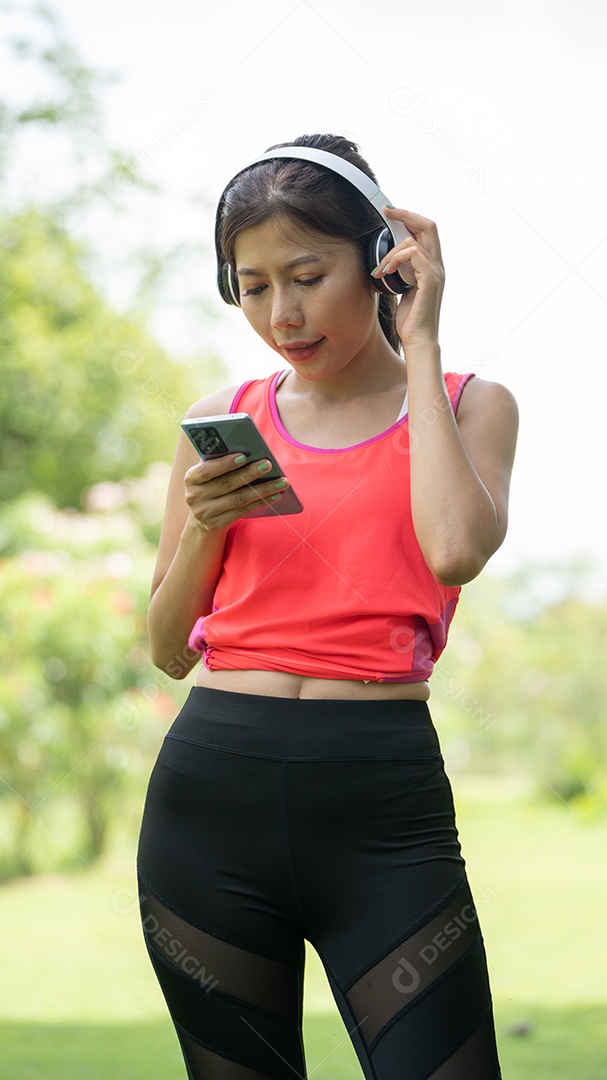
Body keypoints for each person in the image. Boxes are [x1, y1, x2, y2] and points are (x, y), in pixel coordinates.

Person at [137, 132, 518, 1080]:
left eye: (306, 275)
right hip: (208, 800)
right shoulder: (221, 421)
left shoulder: (473, 405)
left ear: (384, 264)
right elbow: (166, 651)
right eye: (252, 284)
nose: (282, 312)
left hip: (381, 810)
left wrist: (419, 340)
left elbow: (455, 549)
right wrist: (203, 528)